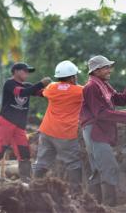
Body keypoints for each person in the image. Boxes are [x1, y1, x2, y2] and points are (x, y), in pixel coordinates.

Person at [80, 55, 126, 206]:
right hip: (94, 132)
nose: (109, 70)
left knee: (99, 171)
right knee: (108, 168)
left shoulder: (103, 85)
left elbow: (122, 99)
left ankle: (96, 207)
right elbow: (101, 113)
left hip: (99, 131)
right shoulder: (91, 87)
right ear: (96, 70)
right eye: (106, 67)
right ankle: (108, 207)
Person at [0, 62, 51, 192]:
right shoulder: (10, 84)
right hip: (5, 122)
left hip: (19, 125)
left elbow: (43, 93)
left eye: (28, 71)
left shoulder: (28, 86)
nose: (27, 73)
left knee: (24, 153)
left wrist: (54, 88)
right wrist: (41, 83)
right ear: (16, 71)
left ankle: (26, 183)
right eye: (24, 71)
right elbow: (22, 93)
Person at [33, 60, 84, 193]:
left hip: (46, 131)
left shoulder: (51, 88)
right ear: (73, 77)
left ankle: (34, 189)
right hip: (65, 133)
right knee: (73, 163)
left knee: (42, 162)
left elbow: (44, 91)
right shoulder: (79, 91)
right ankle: (76, 194)